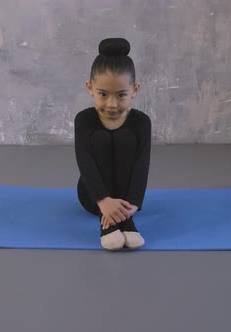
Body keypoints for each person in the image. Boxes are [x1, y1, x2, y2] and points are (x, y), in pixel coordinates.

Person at [74, 37, 152, 251]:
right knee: (101, 138)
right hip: (93, 196)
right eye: (103, 94)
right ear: (90, 88)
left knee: (125, 137)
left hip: (128, 200)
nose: (112, 104)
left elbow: (141, 165)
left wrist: (133, 205)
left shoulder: (141, 122)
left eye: (121, 95)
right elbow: (85, 161)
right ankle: (107, 223)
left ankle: (126, 220)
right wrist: (103, 201)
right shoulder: (84, 120)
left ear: (135, 90)